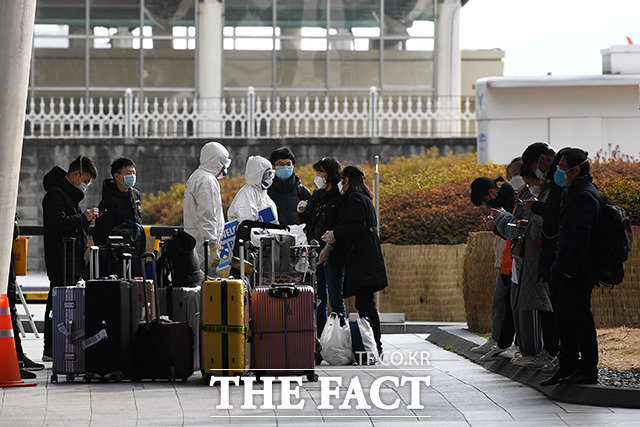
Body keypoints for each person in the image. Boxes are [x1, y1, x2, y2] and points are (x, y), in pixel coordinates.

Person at [541, 148, 601, 386]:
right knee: (564, 321)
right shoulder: (573, 191)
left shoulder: (585, 195)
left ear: (576, 170)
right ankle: (567, 367)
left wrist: (568, 269)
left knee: (579, 320)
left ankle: (587, 369)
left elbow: (581, 238)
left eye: (562, 167)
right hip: (565, 269)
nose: (559, 172)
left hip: (577, 272)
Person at [322, 166, 388, 356]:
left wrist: (335, 234)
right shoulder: (362, 198)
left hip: (363, 258)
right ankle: (373, 345)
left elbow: (356, 226)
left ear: (347, 180)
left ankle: (374, 346)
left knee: (366, 304)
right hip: (365, 257)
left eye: (342, 179)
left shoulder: (355, 199)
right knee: (365, 303)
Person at [42, 155, 99, 360]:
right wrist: (83, 217)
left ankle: (61, 344)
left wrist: (86, 220)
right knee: (56, 303)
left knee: (65, 302)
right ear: (75, 174)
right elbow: (60, 223)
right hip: (61, 259)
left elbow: (71, 224)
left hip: (72, 258)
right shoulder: (56, 195)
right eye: (85, 180)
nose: (86, 185)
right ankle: (50, 346)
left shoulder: (69, 195)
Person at [298, 157, 346, 336]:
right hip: (314, 251)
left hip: (332, 253)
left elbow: (340, 223)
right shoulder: (317, 194)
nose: (317, 176)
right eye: (316, 172)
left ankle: (340, 338)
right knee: (318, 299)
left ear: (330, 174)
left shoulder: (340, 196)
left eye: (321, 172)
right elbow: (308, 220)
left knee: (335, 298)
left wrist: (329, 246)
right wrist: (301, 212)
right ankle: (321, 338)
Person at [183, 142, 231, 272]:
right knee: (206, 282)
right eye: (224, 163)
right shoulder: (206, 181)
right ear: (217, 162)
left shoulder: (198, 176)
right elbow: (206, 215)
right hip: (204, 244)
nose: (225, 168)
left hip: (199, 240)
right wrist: (212, 245)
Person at [7, 217, 45, 377]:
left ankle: (17, 357)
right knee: (9, 310)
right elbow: (12, 232)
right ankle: (15, 359)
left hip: (7, 266)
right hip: (6, 269)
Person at [92, 157, 142, 246]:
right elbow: (101, 234)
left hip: (136, 249)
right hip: (117, 252)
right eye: (128, 173)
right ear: (117, 176)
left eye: (134, 173)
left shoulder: (135, 195)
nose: (132, 176)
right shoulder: (108, 202)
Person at [227, 155, 278, 224]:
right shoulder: (247, 193)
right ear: (257, 175)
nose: (269, 178)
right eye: (266, 174)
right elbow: (247, 222)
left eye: (270, 174)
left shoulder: (262, 193)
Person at [267, 147, 311, 226]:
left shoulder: (302, 191)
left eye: (288, 164)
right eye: (280, 164)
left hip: (298, 236)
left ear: (293, 166)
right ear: (273, 167)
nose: (285, 167)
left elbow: (311, 218)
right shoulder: (266, 191)